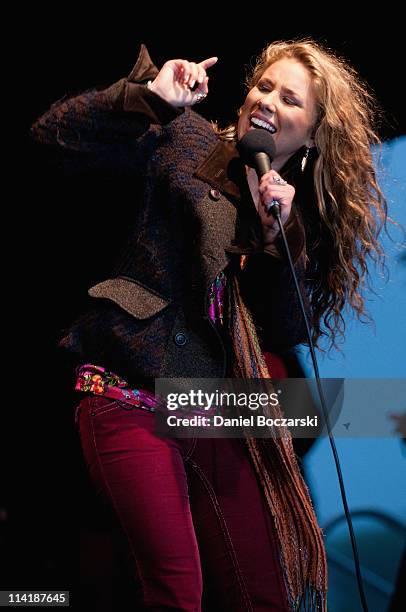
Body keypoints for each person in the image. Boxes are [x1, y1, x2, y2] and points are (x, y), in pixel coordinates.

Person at [30, 38, 388, 611]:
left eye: (289, 98)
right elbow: (54, 137)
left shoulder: (293, 215)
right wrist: (149, 97)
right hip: (131, 395)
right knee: (177, 591)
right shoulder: (184, 137)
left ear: (313, 134)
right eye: (263, 86)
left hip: (213, 409)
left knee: (265, 596)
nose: (267, 99)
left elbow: (286, 329)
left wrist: (279, 242)